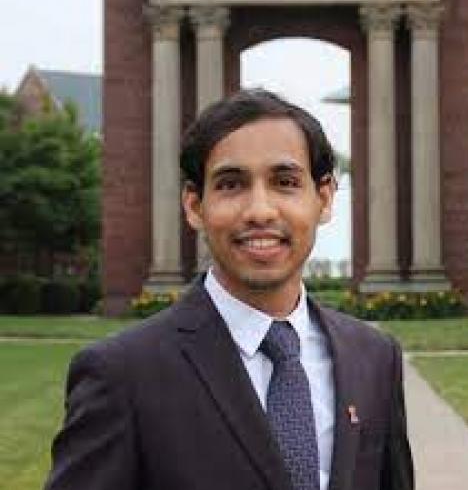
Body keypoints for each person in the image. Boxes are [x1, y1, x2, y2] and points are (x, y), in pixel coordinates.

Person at [44, 89, 414, 490]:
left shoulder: (374, 358)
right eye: (231, 184)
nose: (259, 211)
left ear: (323, 199)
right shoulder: (122, 374)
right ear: (194, 205)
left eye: (285, 182)